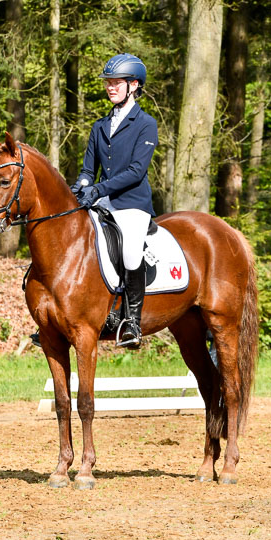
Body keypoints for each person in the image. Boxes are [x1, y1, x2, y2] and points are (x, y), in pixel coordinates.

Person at [70, 53, 158, 349]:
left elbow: (136, 171)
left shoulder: (145, 124)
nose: (110, 87)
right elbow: (88, 170)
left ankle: (132, 322)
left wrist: (98, 190)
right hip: (102, 204)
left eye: (116, 82)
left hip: (132, 204)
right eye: (108, 82)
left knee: (131, 252)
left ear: (134, 85)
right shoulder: (99, 126)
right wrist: (81, 187)